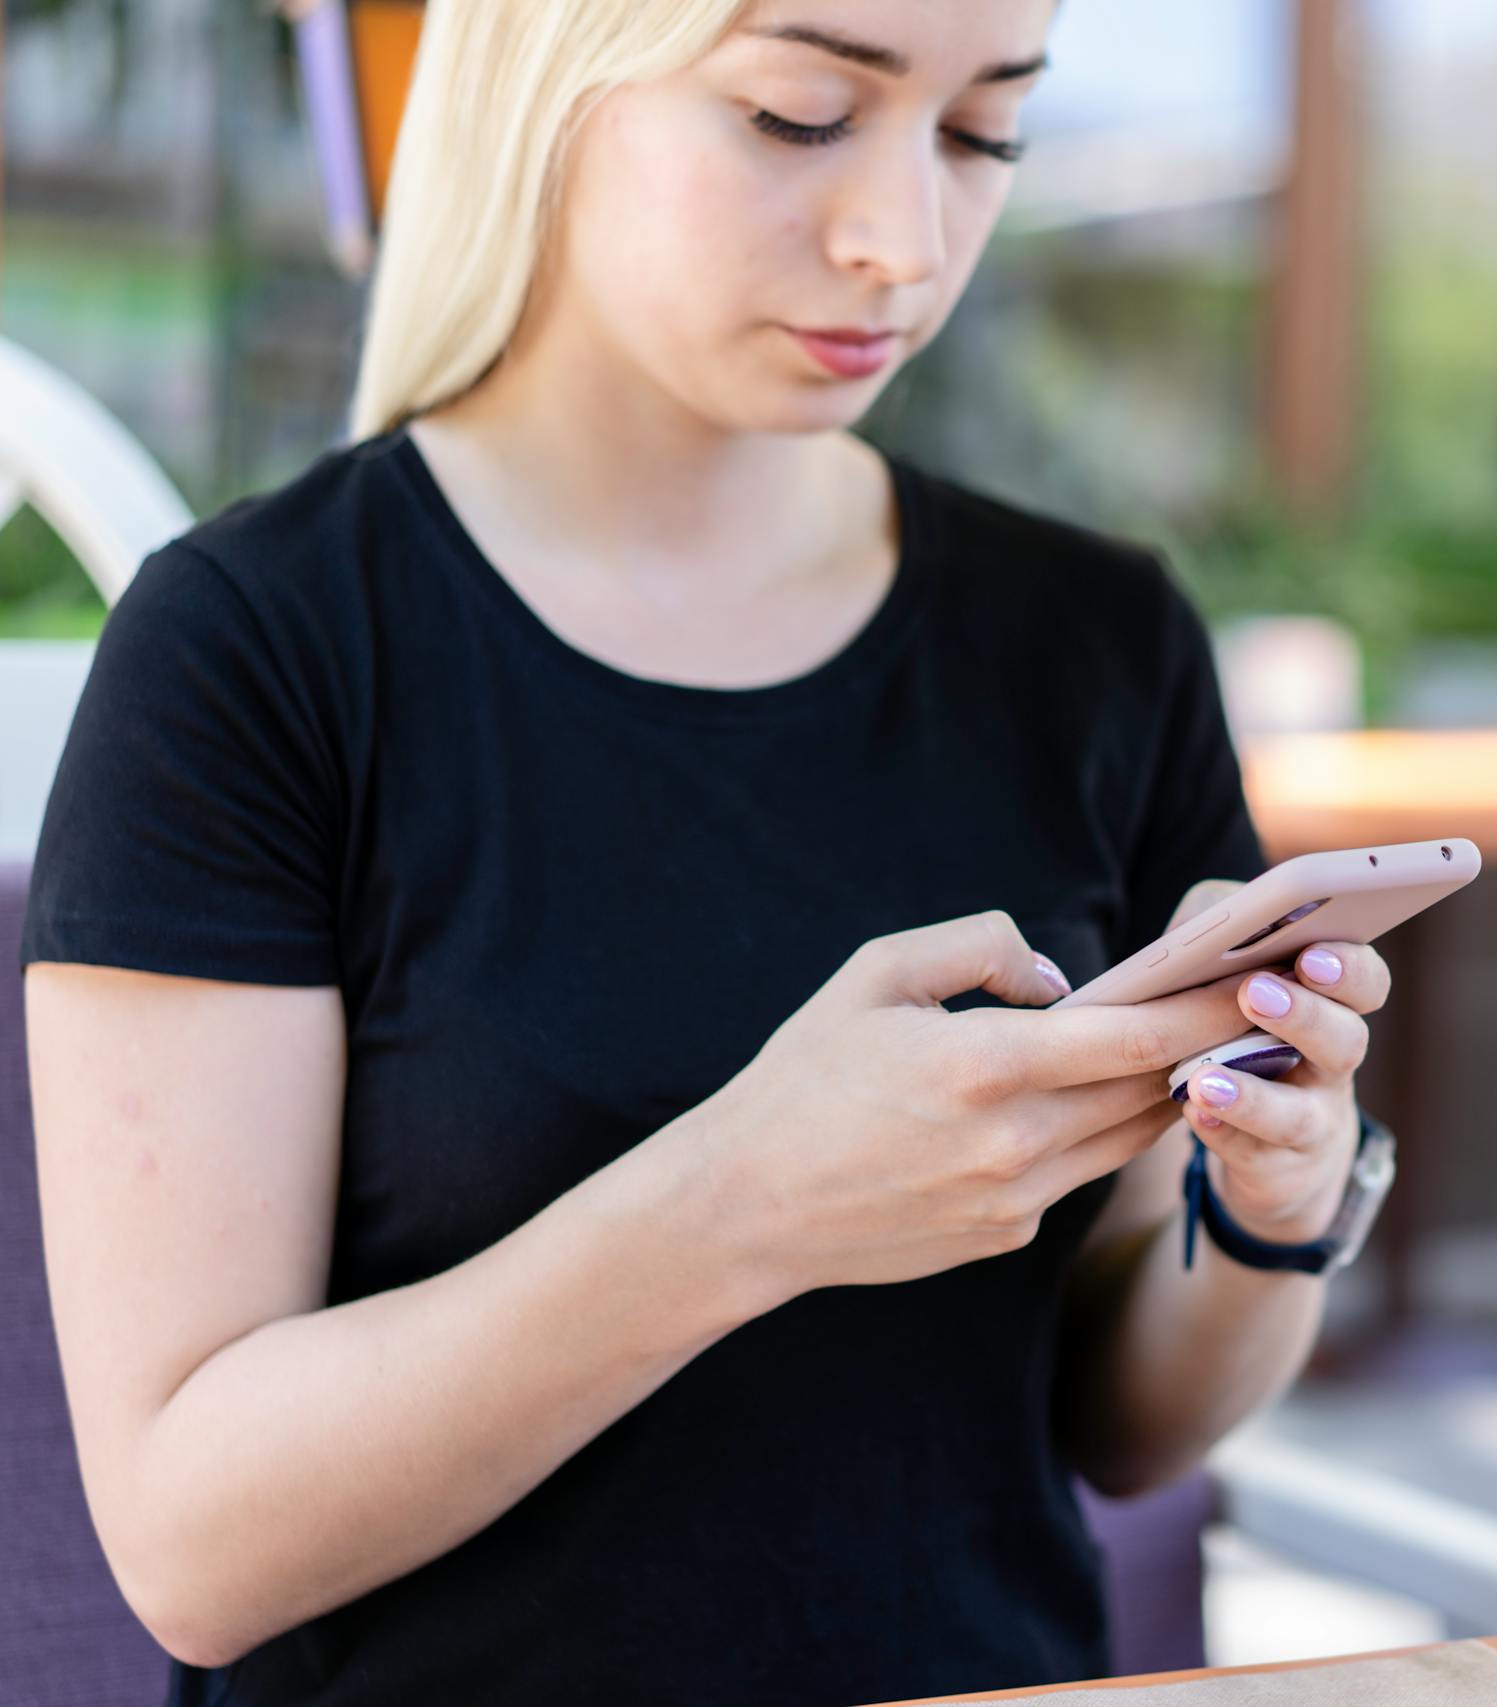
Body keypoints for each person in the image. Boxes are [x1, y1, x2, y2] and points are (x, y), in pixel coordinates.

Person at [17, 3, 1392, 1701]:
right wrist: (742, 1204)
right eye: (802, 115)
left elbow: (1120, 1431)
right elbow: (191, 1553)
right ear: (549, 69)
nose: (903, 239)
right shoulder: (258, 650)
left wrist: (1272, 1203)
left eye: (984, 135)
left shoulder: (1096, 648)